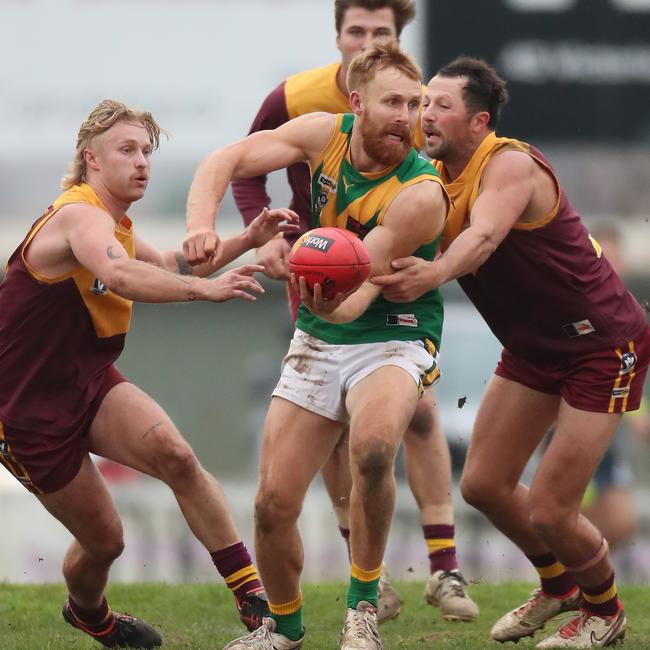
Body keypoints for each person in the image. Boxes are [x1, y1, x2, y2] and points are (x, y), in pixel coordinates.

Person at [0, 99, 300, 649]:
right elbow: (118, 274)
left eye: (147, 151)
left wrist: (245, 242)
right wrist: (205, 291)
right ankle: (91, 616)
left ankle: (254, 599)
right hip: (23, 412)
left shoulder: (114, 223)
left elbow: (164, 266)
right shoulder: (78, 214)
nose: (142, 163)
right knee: (106, 541)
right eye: (127, 151)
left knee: (179, 458)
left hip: (87, 385)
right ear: (91, 159)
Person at [372, 57, 650, 648]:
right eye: (424, 103)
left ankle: (605, 611)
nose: (426, 115)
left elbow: (483, 236)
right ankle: (558, 587)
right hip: (534, 347)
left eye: (441, 105)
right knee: (485, 484)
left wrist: (434, 272)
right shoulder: (425, 176)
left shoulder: (509, 163)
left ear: (478, 121)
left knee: (552, 508)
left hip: (601, 343)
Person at [184, 39, 447, 650]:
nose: (406, 117)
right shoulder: (322, 132)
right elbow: (220, 162)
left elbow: (361, 293)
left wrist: (324, 297)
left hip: (393, 331)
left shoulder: (422, 193)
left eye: (415, 103)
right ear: (357, 103)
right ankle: (287, 630)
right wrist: (202, 226)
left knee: (377, 449)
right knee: (273, 504)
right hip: (322, 328)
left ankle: (362, 609)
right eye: (392, 103)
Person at [231, 0, 478, 623]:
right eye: (357, 31)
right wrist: (260, 237)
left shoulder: (421, 162)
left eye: (381, 31)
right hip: (319, 273)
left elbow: (379, 270)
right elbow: (238, 165)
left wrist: (443, 265)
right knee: (283, 489)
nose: (367, 38)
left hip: (392, 296)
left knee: (398, 428)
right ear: (341, 45)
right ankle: (314, 606)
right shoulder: (304, 105)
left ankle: (429, 576)